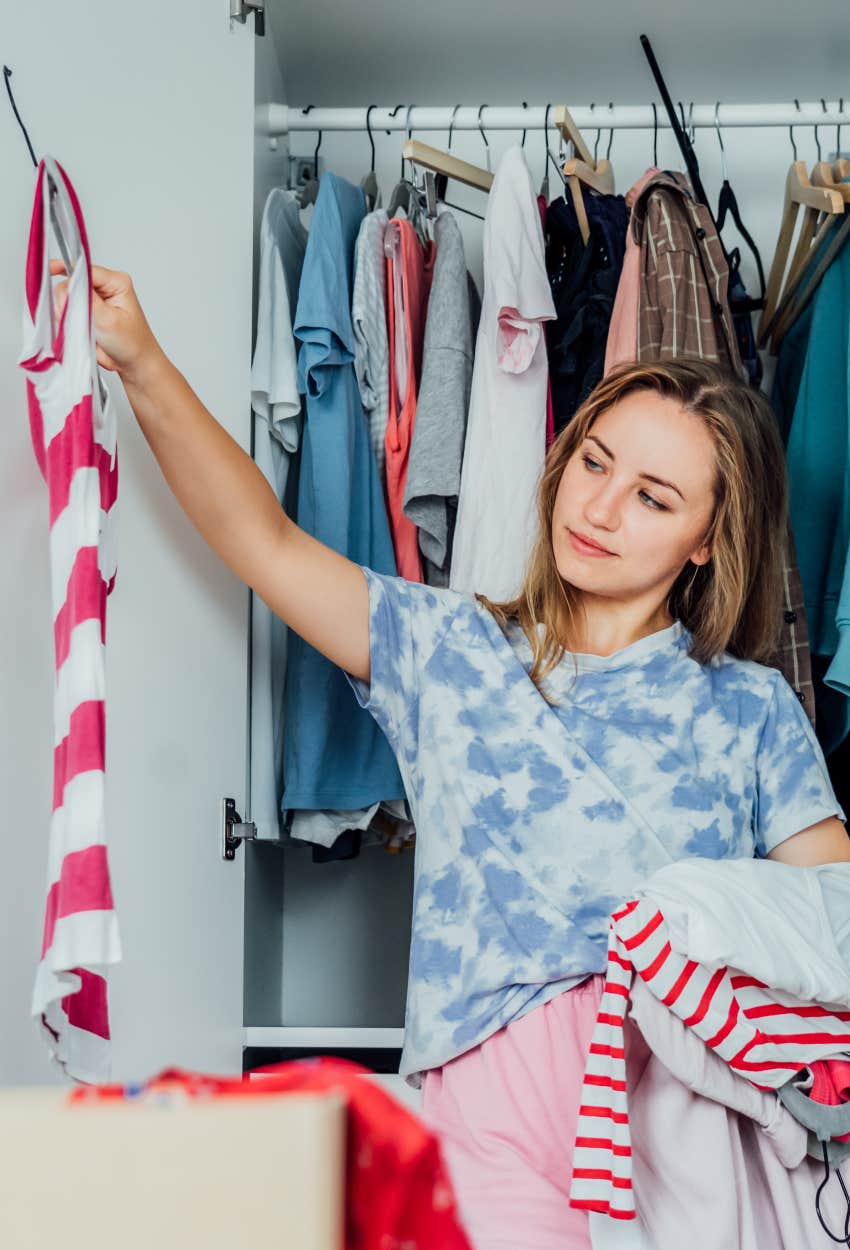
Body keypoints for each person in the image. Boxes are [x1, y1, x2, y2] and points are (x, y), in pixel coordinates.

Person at [51, 260, 850, 1250]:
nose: (597, 508)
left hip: (683, 1109)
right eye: (593, 462)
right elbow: (261, 539)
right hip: (489, 1107)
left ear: (705, 538)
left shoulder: (752, 708)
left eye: (651, 496)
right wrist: (140, 357)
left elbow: (830, 941)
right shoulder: (447, 649)